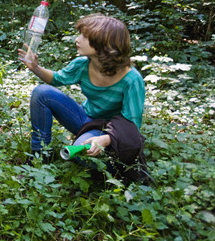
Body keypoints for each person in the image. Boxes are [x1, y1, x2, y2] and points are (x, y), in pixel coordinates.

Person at [18, 13, 149, 183]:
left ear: (104, 43)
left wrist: (104, 139)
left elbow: (132, 125)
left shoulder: (131, 80)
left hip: (110, 130)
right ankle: (40, 156)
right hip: (85, 118)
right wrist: (35, 67)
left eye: (84, 36)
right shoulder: (82, 64)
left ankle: (111, 169)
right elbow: (57, 79)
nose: (77, 40)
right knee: (42, 92)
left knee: (81, 154)